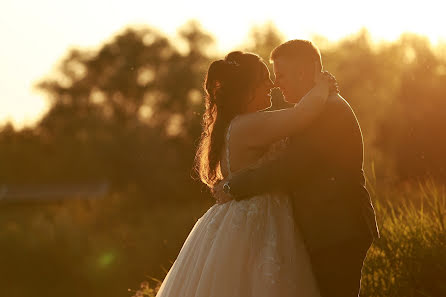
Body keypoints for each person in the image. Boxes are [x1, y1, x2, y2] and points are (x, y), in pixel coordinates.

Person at [155, 50, 335, 297]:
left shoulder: (238, 124)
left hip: (240, 220)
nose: (271, 84)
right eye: (264, 79)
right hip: (259, 221)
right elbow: (303, 114)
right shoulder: (249, 125)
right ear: (248, 88)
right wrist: (323, 85)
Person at [214, 40, 380, 297]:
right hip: (326, 229)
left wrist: (233, 186)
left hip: (336, 228)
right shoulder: (314, 110)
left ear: (303, 72)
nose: (276, 83)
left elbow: (292, 166)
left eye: (280, 75)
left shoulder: (328, 111)